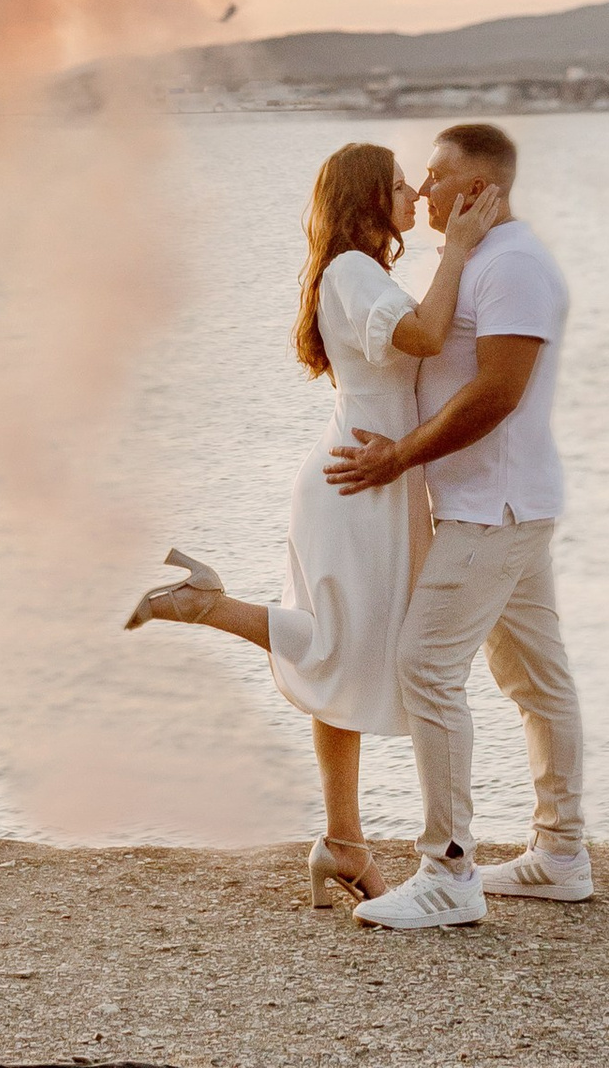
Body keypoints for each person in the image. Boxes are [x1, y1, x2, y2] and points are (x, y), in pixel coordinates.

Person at [123, 141, 495, 902]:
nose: (409, 192)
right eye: (396, 184)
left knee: (343, 650)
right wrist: (456, 247)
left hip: (374, 475)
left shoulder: (362, 273)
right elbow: (423, 337)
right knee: (346, 646)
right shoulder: (354, 273)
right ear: (366, 200)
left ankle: (342, 842)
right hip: (359, 479)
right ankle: (206, 607)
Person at [327, 118, 588, 928]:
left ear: (480, 188)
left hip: (493, 510)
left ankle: (447, 872)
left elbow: (499, 391)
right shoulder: (480, 261)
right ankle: (561, 855)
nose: (425, 188)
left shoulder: (513, 267)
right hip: (500, 504)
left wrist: (401, 456)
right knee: (535, 680)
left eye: (437, 176)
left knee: (425, 667)